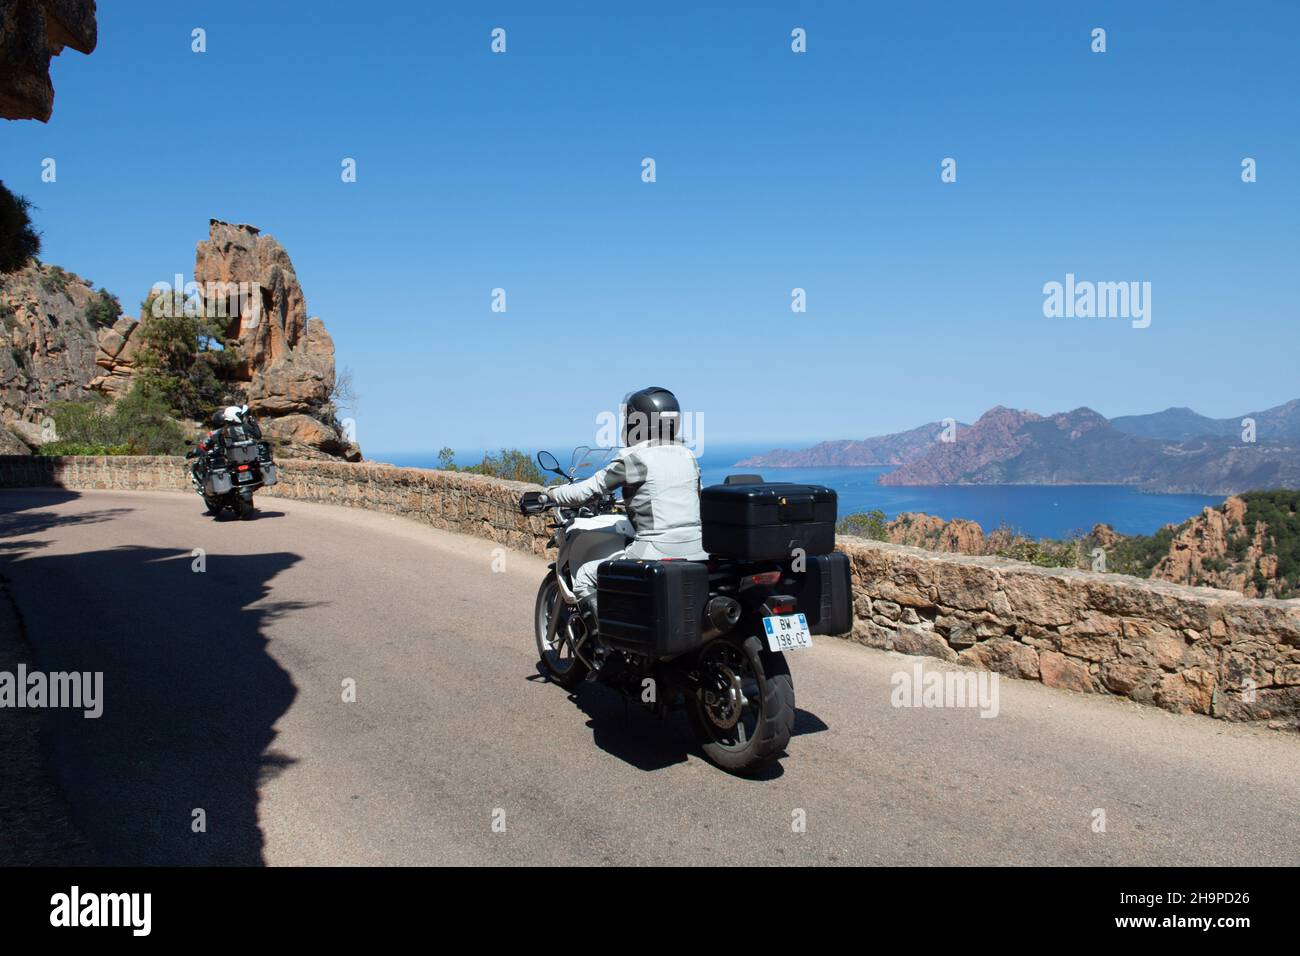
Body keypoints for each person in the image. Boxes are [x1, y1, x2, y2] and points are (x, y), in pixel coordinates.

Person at [541, 386, 706, 618]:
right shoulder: (687, 455)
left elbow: (586, 491)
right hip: (699, 552)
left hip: (655, 551)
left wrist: (550, 494)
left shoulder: (635, 457)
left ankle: (605, 642)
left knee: (586, 576)